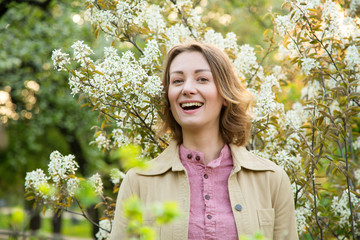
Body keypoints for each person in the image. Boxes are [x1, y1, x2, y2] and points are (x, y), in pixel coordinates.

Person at [110, 42, 298, 240]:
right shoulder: (138, 182)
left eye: (202, 79)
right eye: (177, 81)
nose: (188, 89)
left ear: (225, 94)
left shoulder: (272, 180)